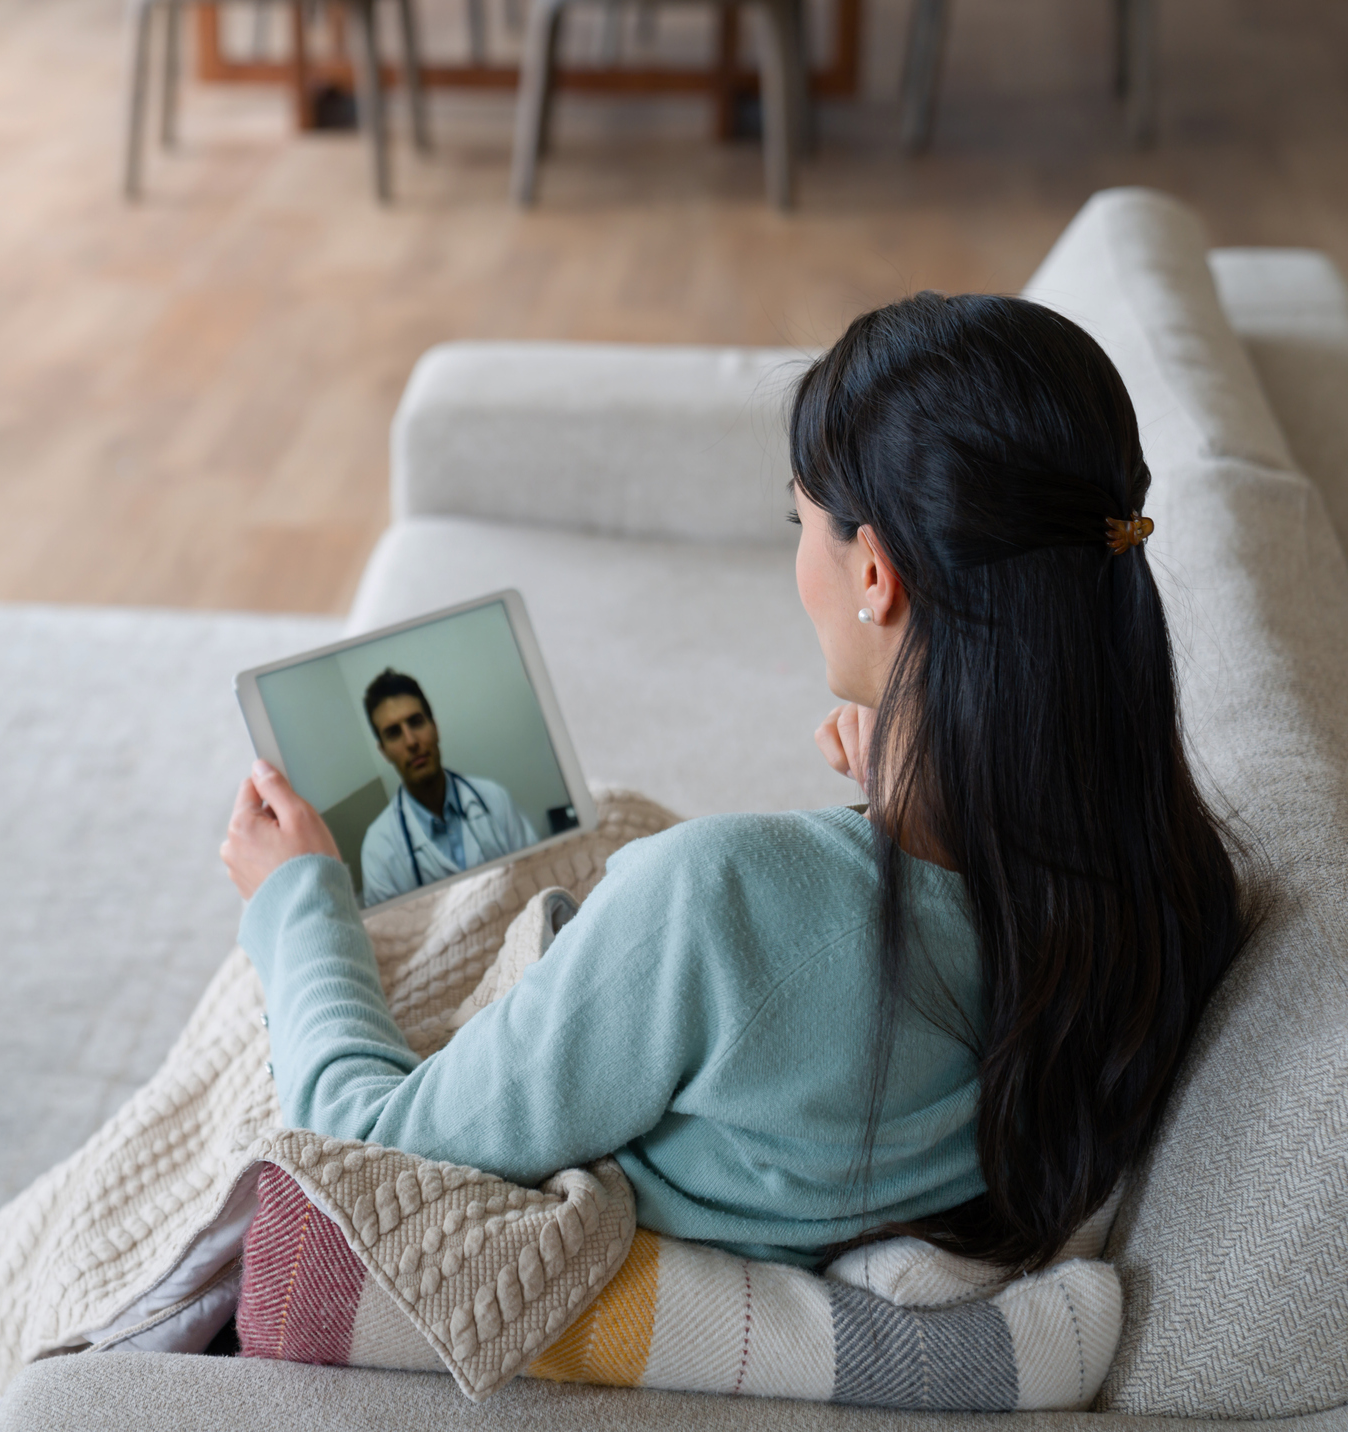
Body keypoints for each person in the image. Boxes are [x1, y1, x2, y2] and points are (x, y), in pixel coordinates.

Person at [219, 293, 1251, 1271]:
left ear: (876, 575)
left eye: (800, 523)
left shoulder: (716, 900)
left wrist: (295, 902)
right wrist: (913, 797)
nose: (800, 555)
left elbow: (366, 1147)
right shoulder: (1169, 888)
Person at [354, 669, 541, 907]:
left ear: (435, 727)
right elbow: (394, 939)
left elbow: (540, 874)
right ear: (384, 752)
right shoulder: (378, 848)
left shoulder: (494, 798)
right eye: (394, 733)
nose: (411, 741)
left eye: (416, 722)